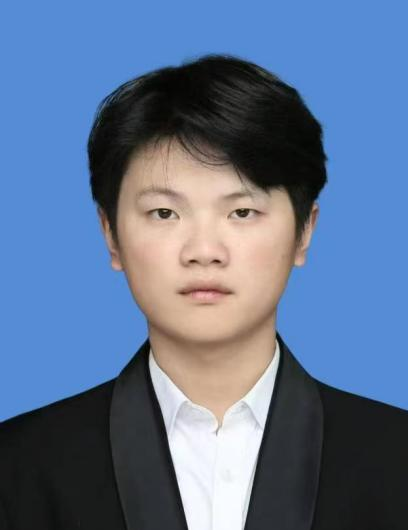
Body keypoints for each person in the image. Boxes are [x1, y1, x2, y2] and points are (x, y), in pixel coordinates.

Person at [0, 53, 407, 530]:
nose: (204, 251)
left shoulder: (395, 457)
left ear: (304, 231)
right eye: (164, 213)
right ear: (111, 235)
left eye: (242, 212)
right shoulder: (18, 465)